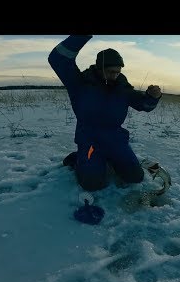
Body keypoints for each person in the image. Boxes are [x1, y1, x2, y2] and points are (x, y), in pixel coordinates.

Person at [48, 35, 162, 191]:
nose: (115, 75)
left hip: (116, 140)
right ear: (99, 67)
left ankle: (106, 159)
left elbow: (144, 105)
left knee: (135, 177)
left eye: (118, 72)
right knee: (92, 184)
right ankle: (78, 159)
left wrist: (152, 98)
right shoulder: (79, 83)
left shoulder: (122, 87)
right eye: (111, 72)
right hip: (90, 141)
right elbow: (58, 58)